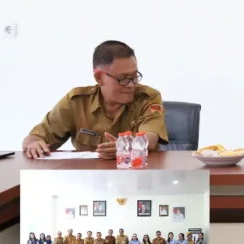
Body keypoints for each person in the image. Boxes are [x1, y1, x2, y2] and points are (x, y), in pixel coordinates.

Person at [22, 41, 169, 159]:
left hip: (137, 175)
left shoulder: (148, 98)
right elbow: (36, 137)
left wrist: (127, 146)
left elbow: (150, 138)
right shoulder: (77, 102)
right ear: (99, 78)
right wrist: (33, 144)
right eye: (123, 78)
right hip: (88, 179)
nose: (131, 84)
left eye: (134, 76)